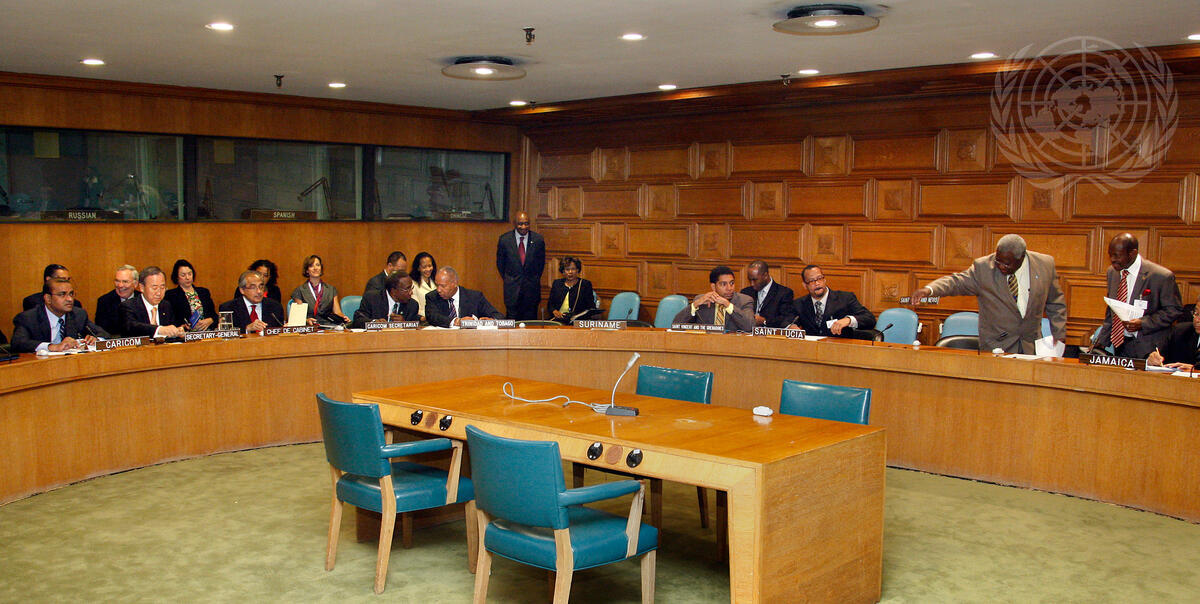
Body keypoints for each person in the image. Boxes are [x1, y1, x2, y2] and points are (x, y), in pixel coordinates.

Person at [911, 234, 1066, 354]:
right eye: (998, 261)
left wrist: (1059, 334)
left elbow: (1056, 302)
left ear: (1021, 258)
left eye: (1007, 264)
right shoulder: (984, 268)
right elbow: (956, 282)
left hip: (1031, 346)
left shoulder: (1044, 265)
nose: (1001, 267)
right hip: (996, 347)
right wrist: (929, 290)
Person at [1094, 233, 1183, 359]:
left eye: (1117, 255)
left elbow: (1174, 310)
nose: (1112, 259)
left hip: (1150, 349)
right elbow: (1112, 310)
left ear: (1132, 253)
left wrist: (1143, 323)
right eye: (1110, 255)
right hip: (1121, 346)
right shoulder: (1112, 272)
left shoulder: (1161, 276)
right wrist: (1101, 343)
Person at [11, 277, 108, 353]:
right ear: (48, 298)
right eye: (62, 294)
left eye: (71, 294)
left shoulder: (78, 314)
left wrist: (96, 340)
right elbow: (18, 343)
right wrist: (52, 347)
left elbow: (105, 335)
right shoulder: (28, 318)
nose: (70, 299)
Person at [784, 264, 875, 337]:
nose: (817, 283)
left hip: (840, 348)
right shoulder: (799, 304)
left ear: (824, 280)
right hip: (811, 350)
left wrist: (848, 320)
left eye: (819, 278)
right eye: (811, 281)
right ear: (805, 285)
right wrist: (791, 326)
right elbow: (785, 320)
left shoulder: (845, 298)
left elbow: (869, 319)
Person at [672, 265, 754, 333]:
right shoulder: (701, 301)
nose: (729, 288)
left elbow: (750, 327)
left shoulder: (745, 301)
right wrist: (695, 305)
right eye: (723, 284)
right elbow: (676, 325)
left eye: (732, 283)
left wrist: (728, 305)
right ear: (713, 287)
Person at [495, 211, 545, 321]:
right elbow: (500, 264)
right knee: (512, 323)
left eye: (526, 223)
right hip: (512, 290)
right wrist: (511, 278)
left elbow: (540, 265)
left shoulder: (538, 240)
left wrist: (531, 279)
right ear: (514, 224)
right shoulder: (505, 240)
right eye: (520, 224)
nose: (523, 227)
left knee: (531, 323)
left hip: (531, 291)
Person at [424, 267, 503, 327]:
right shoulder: (432, 297)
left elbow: (498, 316)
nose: (438, 290)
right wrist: (456, 321)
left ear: (455, 283)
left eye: (443, 286)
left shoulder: (474, 297)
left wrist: (491, 321)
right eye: (437, 285)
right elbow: (432, 317)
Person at [122, 266, 186, 338]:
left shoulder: (166, 305)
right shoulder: (129, 306)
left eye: (162, 287)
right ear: (142, 287)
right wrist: (159, 330)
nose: (159, 293)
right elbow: (133, 327)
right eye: (154, 288)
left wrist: (177, 331)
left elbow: (171, 328)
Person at [219, 270, 285, 334]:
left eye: (261, 286)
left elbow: (279, 330)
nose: (259, 291)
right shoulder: (228, 308)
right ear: (242, 290)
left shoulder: (275, 307)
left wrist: (286, 329)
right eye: (253, 287)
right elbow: (226, 333)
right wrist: (246, 329)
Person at [291, 255, 348, 325]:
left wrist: (343, 317)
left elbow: (337, 312)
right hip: (310, 326)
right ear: (307, 270)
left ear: (321, 268)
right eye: (311, 266)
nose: (315, 268)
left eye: (317, 265)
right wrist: (306, 320)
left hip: (328, 326)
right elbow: (299, 317)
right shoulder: (299, 291)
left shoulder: (331, 289)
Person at [1147, 299, 1199, 371]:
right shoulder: (1180, 332)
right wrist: (1152, 359)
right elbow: (1159, 354)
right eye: (1196, 313)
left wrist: (1195, 369)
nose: (1197, 320)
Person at [164, 259, 216, 331]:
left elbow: (214, 315)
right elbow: (170, 320)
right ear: (176, 277)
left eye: (189, 274)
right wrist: (183, 326)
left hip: (207, 332)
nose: (187, 278)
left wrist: (210, 320)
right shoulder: (171, 295)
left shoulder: (204, 292)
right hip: (185, 334)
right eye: (183, 275)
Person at [352, 272, 419, 328]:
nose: (411, 292)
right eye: (407, 289)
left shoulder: (412, 305)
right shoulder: (372, 298)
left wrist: (404, 324)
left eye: (411, 288)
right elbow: (358, 320)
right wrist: (374, 323)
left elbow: (415, 329)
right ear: (393, 291)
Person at [740, 260, 795, 328]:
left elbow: (786, 319)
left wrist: (764, 321)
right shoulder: (746, 292)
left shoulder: (784, 293)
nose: (752, 284)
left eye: (755, 280)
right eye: (749, 280)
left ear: (765, 276)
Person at [546, 256, 596, 323]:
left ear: (577, 270)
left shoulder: (585, 284)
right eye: (567, 269)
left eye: (573, 269)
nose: (570, 272)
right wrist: (554, 311)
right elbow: (550, 305)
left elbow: (590, 307)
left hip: (577, 321)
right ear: (563, 271)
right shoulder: (557, 284)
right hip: (557, 320)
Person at [94, 265, 139, 336]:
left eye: (125, 281)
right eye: (117, 281)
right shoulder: (104, 301)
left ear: (135, 284)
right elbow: (102, 331)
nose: (120, 285)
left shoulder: (143, 299)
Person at [409, 251, 438, 323]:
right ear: (418, 268)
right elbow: (414, 307)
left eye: (430, 266)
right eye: (424, 267)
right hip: (422, 320)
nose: (428, 269)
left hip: (438, 318)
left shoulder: (436, 280)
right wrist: (424, 318)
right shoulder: (412, 283)